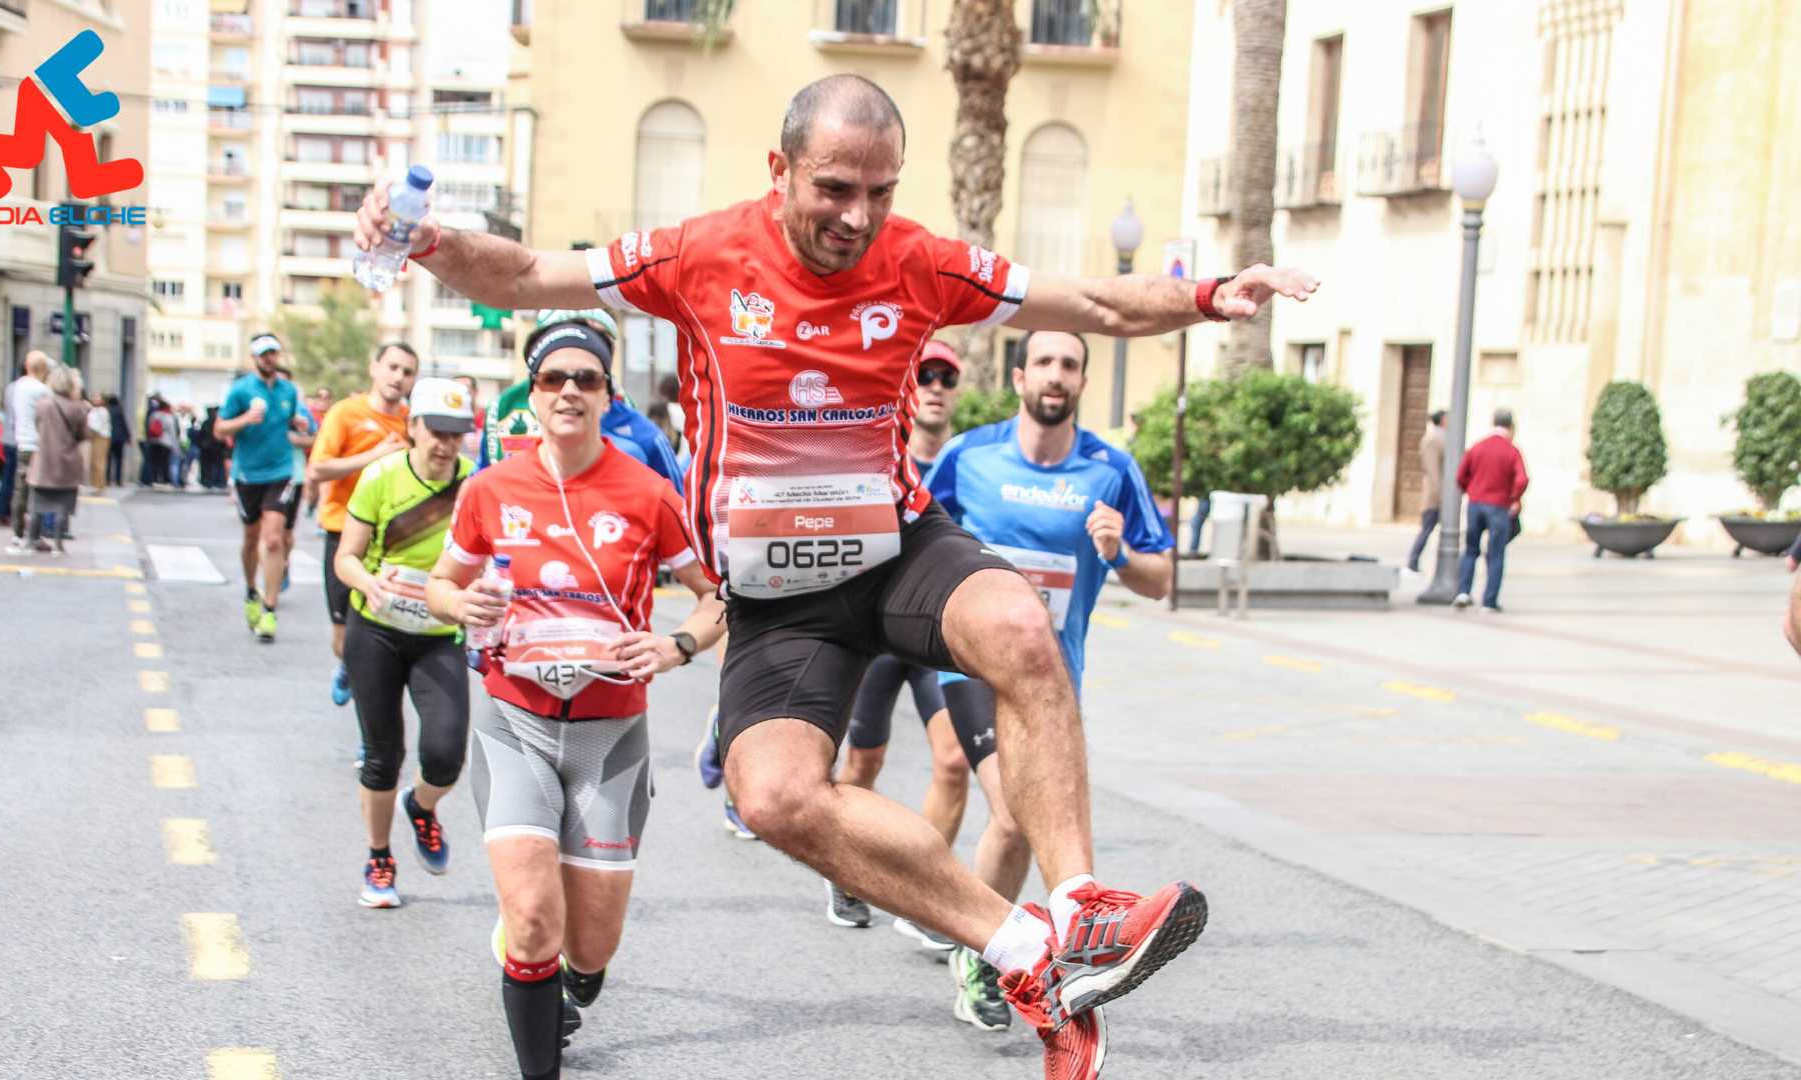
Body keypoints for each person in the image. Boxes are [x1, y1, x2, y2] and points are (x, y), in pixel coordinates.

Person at [358, 73, 1314, 1076]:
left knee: (1024, 631)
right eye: (833, 189)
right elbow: (525, 275)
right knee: (769, 794)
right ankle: (1026, 955)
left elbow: (1091, 301)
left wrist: (1210, 295)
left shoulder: (921, 262)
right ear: (780, 172)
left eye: (881, 192)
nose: (858, 218)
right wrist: (427, 242)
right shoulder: (701, 255)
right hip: (777, 596)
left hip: (894, 544)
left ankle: (1080, 915)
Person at [426, 326, 725, 1080]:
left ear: (606, 396)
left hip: (609, 734)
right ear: (532, 396)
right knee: (531, 920)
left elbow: (719, 598)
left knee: (589, 949)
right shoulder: (490, 488)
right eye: (554, 377)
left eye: (585, 379)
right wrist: (464, 606)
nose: (568, 390)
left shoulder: (646, 493)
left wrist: (676, 646)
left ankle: (569, 982)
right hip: (514, 722)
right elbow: (439, 583)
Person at [925, 329, 1177, 1033]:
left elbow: (1160, 579)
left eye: (1070, 364)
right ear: (1019, 376)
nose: (1056, 375)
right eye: (1044, 362)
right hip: (969, 662)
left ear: (1082, 382)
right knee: (1012, 810)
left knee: (1019, 827)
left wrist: (1119, 552)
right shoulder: (969, 455)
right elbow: (911, 525)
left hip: (1054, 677)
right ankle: (984, 949)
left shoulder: (1110, 470)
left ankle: (983, 939)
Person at [808, 339, 972, 940]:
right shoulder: (876, 454)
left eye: (945, 378)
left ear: (956, 391)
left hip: (934, 637)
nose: (933, 386)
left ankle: (922, 894)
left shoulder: (965, 460)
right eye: (922, 375)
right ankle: (847, 872)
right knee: (863, 763)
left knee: (954, 761)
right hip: (874, 638)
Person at [333, 378, 477, 907]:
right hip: (376, 630)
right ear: (413, 427)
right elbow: (345, 556)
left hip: (439, 634)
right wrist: (367, 582)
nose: (445, 445)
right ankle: (379, 858)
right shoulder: (380, 478)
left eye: (456, 435)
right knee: (382, 753)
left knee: (444, 755)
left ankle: (421, 806)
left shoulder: (475, 483)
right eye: (436, 432)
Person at [309, 342, 418, 707]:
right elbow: (317, 469)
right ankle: (346, 665)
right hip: (344, 535)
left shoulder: (412, 421)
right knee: (344, 635)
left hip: (391, 540)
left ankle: (372, 730)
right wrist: (374, 456)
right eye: (392, 367)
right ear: (374, 368)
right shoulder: (345, 414)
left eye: (407, 372)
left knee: (384, 634)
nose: (398, 377)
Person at [478, 310, 685, 495]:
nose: (569, 391)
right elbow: (483, 488)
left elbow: (679, 513)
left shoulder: (641, 434)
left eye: (595, 341)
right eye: (552, 379)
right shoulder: (505, 407)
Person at [215, 333, 314, 642]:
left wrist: (299, 425)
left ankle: (269, 610)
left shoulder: (288, 391)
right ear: (254, 357)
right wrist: (245, 419)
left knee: (273, 539)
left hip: (281, 471)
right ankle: (250, 592)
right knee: (251, 538)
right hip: (248, 473)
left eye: (273, 353)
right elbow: (219, 429)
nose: (269, 358)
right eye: (263, 354)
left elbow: (300, 425)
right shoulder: (241, 390)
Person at [1454, 407, 1529, 613]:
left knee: (1470, 549)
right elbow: (1522, 479)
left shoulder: (1477, 447)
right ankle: (1489, 601)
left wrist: (1471, 490)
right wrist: (1514, 497)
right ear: (1511, 427)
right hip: (1499, 506)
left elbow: (1461, 475)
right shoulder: (1511, 450)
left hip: (1475, 504)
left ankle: (1463, 591)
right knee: (1496, 553)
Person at [10, 365, 90, 556]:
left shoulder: (43, 405)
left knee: (37, 504)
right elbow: (84, 435)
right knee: (63, 506)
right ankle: (59, 545)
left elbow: (38, 427)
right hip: (68, 462)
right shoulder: (78, 408)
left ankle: (30, 542)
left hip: (43, 460)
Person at [6, 352, 53, 541]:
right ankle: (35, 534)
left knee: (21, 491)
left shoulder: (17, 387)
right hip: (39, 445)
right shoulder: (42, 390)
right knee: (39, 493)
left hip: (22, 443)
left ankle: (17, 533)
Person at [1407, 409, 1448, 573]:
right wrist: (1439, 494)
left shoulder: (1443, 437)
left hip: (1442, 493)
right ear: (1443, 420)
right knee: (1427, 528)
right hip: (1435, 495)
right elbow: (1433, 470)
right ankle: (1413, 561)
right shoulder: (1432, 439)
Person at [85, 391, 112, 493]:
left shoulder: (103, 411)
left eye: (98, 397)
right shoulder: (92, 410)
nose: (95, 399)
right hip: (93, 437)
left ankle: (100, 486)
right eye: (94, 396)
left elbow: (97, 426)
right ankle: (96, 484)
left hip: (101, 437)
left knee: (99, 462)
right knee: (94, 461)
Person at [105, 392, 131, 489]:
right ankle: (118, 480)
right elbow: (124, 424)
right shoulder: (120, 411)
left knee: (108, 459)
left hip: (109, 437)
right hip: (120, 439)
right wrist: (128, 437)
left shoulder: (107, 411)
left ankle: (107, 480)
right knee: (119, 460)